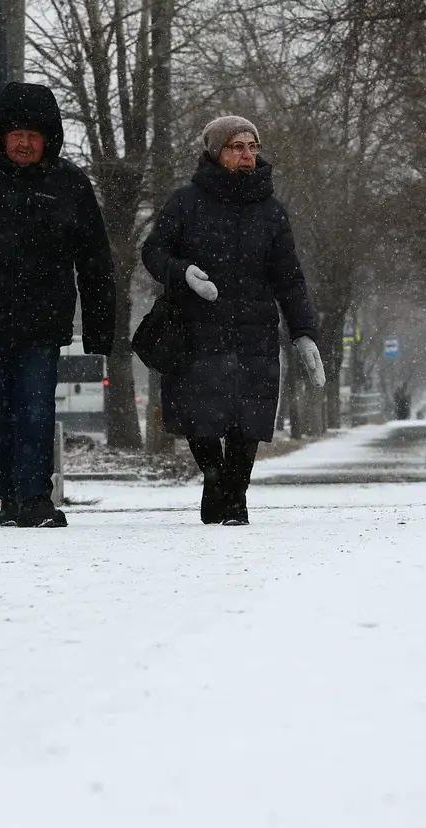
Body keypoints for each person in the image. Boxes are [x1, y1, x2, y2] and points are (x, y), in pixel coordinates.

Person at [0, 82, 116, 528]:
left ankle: (33, 497)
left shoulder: (69, 183)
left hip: (43, 324)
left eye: (34, 134)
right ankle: (11, 495)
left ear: (48, 137)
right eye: (17, 133)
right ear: (1, 136)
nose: (26, 142)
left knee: (34, 407)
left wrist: (99, 327)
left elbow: (95, 260)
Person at [142, 115, 324, 526]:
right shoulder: (185, 203)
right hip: (196, 329)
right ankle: (215, 476)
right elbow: (153, 253)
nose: (247, 155)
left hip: (254, 332)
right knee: (201, 416)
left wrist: (304, 333)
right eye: (236, 146)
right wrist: (183, 272)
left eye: (252, 147)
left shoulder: (271, 213)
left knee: (249, 417)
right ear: (215, 151)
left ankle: (236, 495)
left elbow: (289, 278)